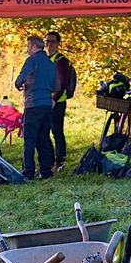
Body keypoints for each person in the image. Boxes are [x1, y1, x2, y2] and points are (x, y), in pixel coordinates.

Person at [13, 35, 56, 180]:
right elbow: (55, 85)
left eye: (28, 46)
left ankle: (28, 171)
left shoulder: (31, 61)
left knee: (30, 139)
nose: (27, 49)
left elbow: (20, 79)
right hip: (47, 105)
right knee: (43, 138)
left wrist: (20, 85)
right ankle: (46, 171)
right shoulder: (50, 63)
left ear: (33, 46)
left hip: (33, 104)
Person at [45, 31, 76, 170]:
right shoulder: (46, 58)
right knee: (45, 131)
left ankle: (60, 160)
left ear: (58, 43)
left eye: (52, 41)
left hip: (57, 102)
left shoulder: (61, 60)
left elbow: (62, 82)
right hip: (45, 100)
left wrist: (54, 99)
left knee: (56, 131)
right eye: (47, 41)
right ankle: (50, 160)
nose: (49, 44)